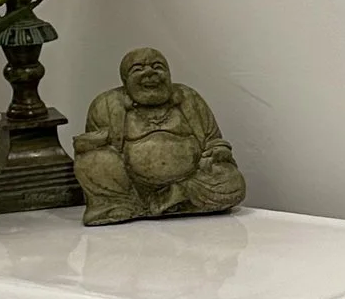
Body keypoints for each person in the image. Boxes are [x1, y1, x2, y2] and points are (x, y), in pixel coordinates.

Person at [71, 48, 247, 222]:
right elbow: (95, 150)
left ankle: (173, 196)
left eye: (157, 67)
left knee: (232, 180)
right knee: (90, 161)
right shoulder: (106, 105)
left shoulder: (189, 98)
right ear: (125, 80)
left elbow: (214, 140)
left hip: (190, 182)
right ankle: (128, 204)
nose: (149, 73)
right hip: (132, 186)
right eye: (138, 69)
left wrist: (218, 152)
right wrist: (91, 144)